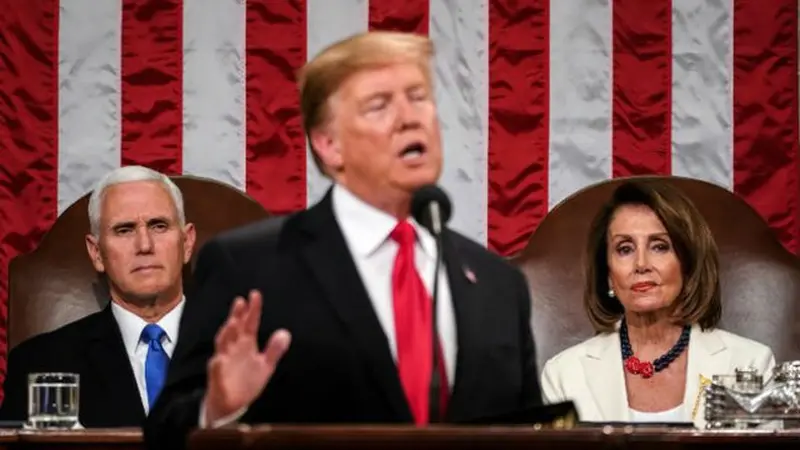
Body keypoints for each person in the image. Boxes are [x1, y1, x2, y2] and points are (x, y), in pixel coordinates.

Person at [144, 31, 542, 448]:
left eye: (418, 96)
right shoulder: (249, 266)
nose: (410, 117)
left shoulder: (499, 284)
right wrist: (218, 409)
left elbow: (535, 435)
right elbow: (163, 433)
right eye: (379, 105)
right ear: (329, 146)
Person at [539, 180, 775, 428]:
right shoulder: (564, 374)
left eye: (660, 246)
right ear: (607, 273)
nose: (641, 264)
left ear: (688, 262)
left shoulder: (750, 363)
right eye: (625, 249)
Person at [0, 165, 196, 427]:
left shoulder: (252, 349)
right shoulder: (39, 364)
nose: (145, 245)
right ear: (97, 253)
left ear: (187, 242)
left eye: (158, 226)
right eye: (124, 230)